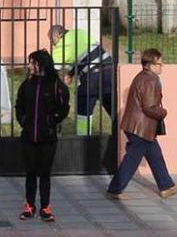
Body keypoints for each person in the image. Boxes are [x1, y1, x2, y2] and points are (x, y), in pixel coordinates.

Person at [106, 48, 177, 200]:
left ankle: (166, 186)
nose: (161, 66)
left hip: (140, 127)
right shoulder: (151, 80)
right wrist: (163, 112)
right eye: (159, 64)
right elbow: (149, 108)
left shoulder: (142, 76)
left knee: (155, 155)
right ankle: (115, 189)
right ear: (150, 65)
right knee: (132, 160)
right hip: (141, 128)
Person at [15, 49, 70, 223]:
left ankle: (45, 208)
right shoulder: (27, 85)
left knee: (44, 174)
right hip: (29, 137)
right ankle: (29, 206)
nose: (29, 66)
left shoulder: (56, 85)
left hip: (47, 138)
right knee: (30, 173)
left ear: (40, 64)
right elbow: (19, 106)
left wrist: (52, 120)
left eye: (32, 62)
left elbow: (64, 107)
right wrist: (24, 120)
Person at [48, 25, 114, 135]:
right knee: (113, 107)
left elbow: (50, 68)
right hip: (110, 72)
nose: (52, 43)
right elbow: (85, 55)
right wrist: (71, 73)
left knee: (83, 107)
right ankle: (120, 136)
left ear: (58, 35)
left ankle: (83, 137)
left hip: (92, 78)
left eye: (51, 39)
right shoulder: (80, 32)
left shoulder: (61, 45)